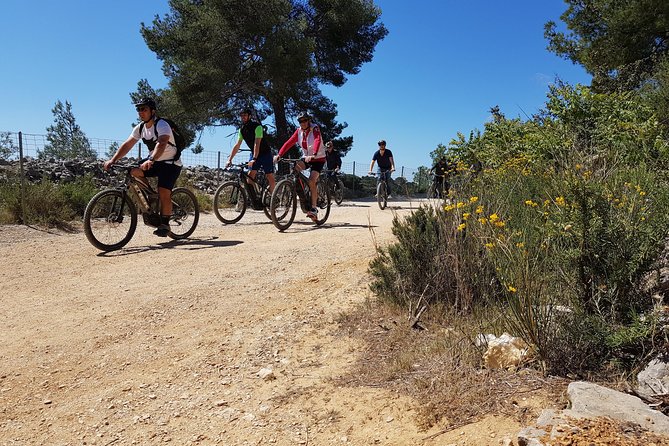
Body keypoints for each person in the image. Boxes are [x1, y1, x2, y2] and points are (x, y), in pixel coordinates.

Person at [104, 97, 181, 237]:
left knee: (164, 191)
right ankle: (151, 195)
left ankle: (165, 224)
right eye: (139, 109)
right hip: (155, 161)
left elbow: (162, 143)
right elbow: (127, 145)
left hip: (171, 163)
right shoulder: (140, 128)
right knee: (133, 171)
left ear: (153, 111)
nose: (141, 112)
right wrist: (113, 159)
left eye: (144, 109)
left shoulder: (162, 125)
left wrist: (151, 159)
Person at [275, 111, 326, 221]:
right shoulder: (298, 132)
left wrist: (314, 154)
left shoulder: (315, 128)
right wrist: (279, 155)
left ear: (309, 120)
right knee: (295, 170)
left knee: (312, 180)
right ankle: (302, 194)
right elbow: (289, 143)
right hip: (307, 157)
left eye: (305, 120)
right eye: (300, 121)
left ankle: (313, 208)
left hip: (318, 158)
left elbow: (317, 140)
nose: (302, 123)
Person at [226, 108, 276, 193]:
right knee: (250, 177)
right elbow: (237, 145)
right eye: (241, 116)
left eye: (245, 115)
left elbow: (257, 143)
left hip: (265, 153)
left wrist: (254, 159)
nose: (243, 117)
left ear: (249, 116)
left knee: (269, 175)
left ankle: (273, 198)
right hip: (254, 154)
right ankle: (255, 198)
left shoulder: (257, 127)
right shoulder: (241, 130)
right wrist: (229, 159)